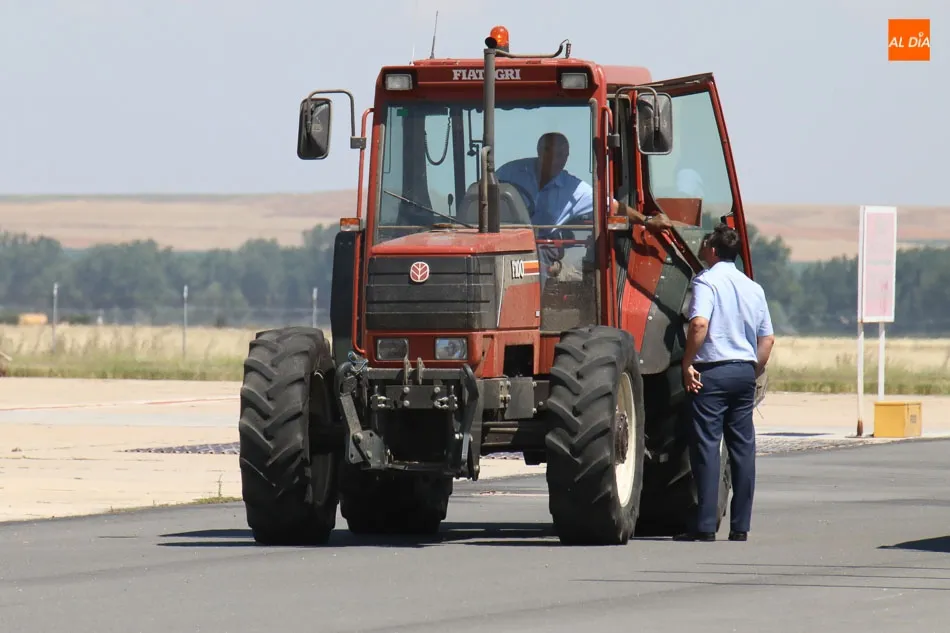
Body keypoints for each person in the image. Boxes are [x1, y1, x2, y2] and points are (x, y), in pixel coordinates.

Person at [676, 223, 775, 543]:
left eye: (706, 246)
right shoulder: (753, 287)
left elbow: (699, 323)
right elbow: (768, 339)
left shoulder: (707, 281)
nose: (703, 250)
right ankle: (740, 525)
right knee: (742, 449)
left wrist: (687, 361)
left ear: (714, 251)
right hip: (744, 372)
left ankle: (705, 525)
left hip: (713, 372)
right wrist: (753, 369)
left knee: (706, 447)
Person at [496, 131, 676, 279]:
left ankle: (532, 317)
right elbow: (481, 196)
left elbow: (612, 206)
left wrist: (646, 220)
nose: (553, 159)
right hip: (500, 242)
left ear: (567, 158)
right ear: (539, 151)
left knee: (535, 263)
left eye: (560, 155)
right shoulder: (510, 172)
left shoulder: (574, 189)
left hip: (538, 248)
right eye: (548, 151)